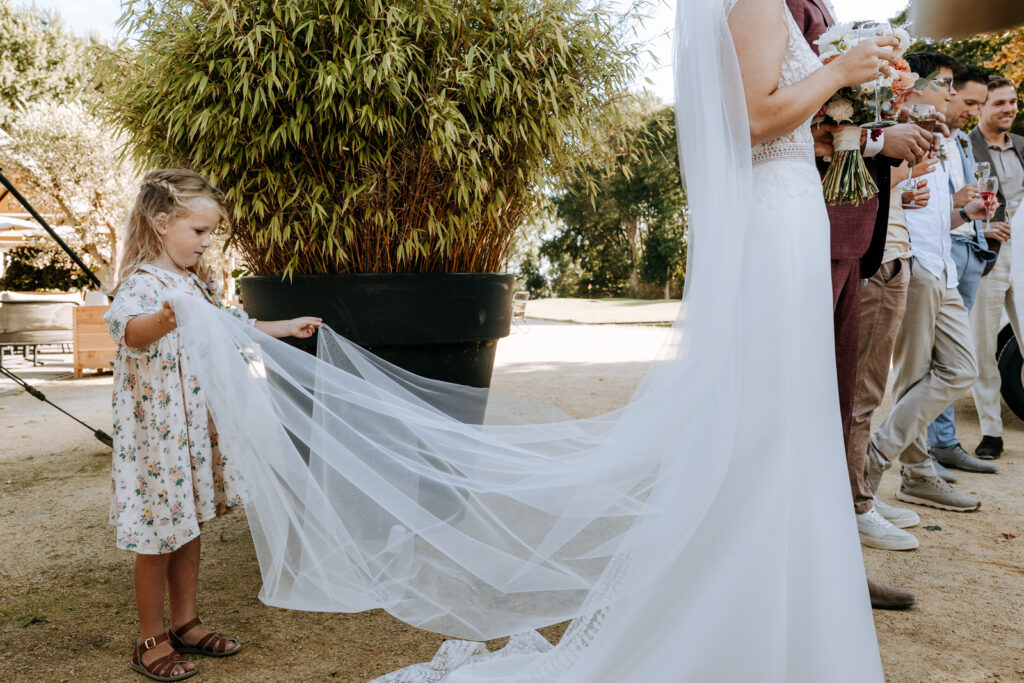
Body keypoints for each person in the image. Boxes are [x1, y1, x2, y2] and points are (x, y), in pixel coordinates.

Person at [104, 169, 321, 681]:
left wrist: (283, 328)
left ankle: (185, 622)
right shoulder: (143, 284)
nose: (206, 242)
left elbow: (230, 324)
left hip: (192, 432)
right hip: (157, 438)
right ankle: (149, 638)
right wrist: (167, 317)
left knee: (189, 524)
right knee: (157, 534)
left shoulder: (193, 286)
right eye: (198, 231)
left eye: (211, 232)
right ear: (161, 223)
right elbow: (130, 332)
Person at [788, 0, 933, 603]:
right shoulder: (782, 7)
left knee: (837, 400)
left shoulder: (818, 5)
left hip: (852, 237)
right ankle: (796, 561)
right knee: (803, 406)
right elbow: (780, 114)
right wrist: (875, 137)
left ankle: (828, 556)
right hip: (810, 230)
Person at [869, 53, 995, 515]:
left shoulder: (941, 139)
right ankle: (916, 474)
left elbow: (934, 214)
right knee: (913, 375)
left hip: (941, 264)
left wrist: (965, 213)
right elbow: (888, 196)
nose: (950, 92)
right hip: (916, 262)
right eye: (943, 84)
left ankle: (877, 453)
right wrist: (902, 184)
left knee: (961, 367)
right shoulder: (891, 130)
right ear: (913, 86)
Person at [926, 65, 1001, 473]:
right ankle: (929, 449)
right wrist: (958, 202)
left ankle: (944, 442)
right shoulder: (928, 136)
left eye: (979, 104)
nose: (974, 111)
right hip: (943, 246)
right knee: (935, 358)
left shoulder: (963, 144)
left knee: (955, 357)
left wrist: (983, 222)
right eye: (969, 101)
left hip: (971, 247)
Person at [968, 76, 1024, 460]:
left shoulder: (1023, 146)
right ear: (982, 107)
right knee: (984, 347)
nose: (1009, 108)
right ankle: (991, 432)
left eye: (1014, 101)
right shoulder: (964, 146)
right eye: (1000, 102)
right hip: (988, 253)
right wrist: (981, 224)